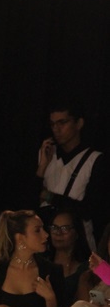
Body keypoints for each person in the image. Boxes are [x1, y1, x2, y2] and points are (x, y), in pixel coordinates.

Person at [36, 98, 107, 249]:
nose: (56, 129)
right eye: (53, 124)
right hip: (45, 242)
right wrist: (41, 169)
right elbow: (28, 200)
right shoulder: (46, 154)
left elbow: (90, 209)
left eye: (62, 123)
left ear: (79, 124)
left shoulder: (95, 160)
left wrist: (49, 196)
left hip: (80, 246)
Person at [45, 209, 89, 307]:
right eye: (54, 228)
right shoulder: (42, 264)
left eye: (65, 228)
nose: (58, 233)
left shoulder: (85, 269)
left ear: (77, 233)